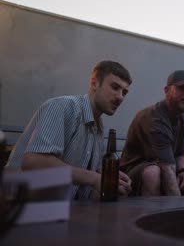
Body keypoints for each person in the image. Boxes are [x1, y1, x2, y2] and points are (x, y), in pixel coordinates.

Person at [6, 60, 133, 199]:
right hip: (17, 207)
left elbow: (85, 175)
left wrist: (109, 178)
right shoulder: (62, 107)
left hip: (58, 208)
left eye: (124, 92)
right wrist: (94, 178)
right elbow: (34, 162)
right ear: (94, 83)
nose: (120, 97)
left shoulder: (98, 128)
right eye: (115, 87)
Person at [120, 70, 184, 197]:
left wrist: (182, 172)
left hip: (166, 169)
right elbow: (168, 172)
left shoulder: (183, 118)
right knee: (153, 173)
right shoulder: (155, 118)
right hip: (130, 176)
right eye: (182, 89)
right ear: (166, 90)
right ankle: (152, 217)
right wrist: (179, 210)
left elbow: (179, 153)